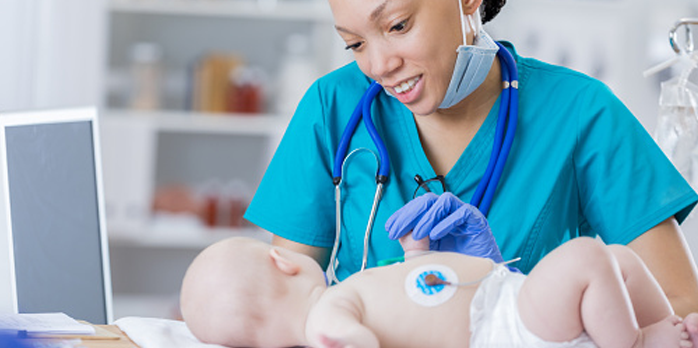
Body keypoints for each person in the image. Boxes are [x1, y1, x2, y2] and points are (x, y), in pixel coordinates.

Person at [243, 0, 698, 316]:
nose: (379, 66)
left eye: (398, 25)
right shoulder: (332, 106)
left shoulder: (580, 111)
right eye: (355, 44)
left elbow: (682, 308)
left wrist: (515, 301)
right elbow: (284, 301)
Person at [181, 237, 698, 348]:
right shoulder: (326, 318)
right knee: (587, 257)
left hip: (505, 301)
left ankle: (663, 333)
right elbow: (354, 340)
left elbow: (415, 302)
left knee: (621, 261)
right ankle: (632, 345)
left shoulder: (347, 293)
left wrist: (417, 254)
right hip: (506, 327)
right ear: (283, 262)